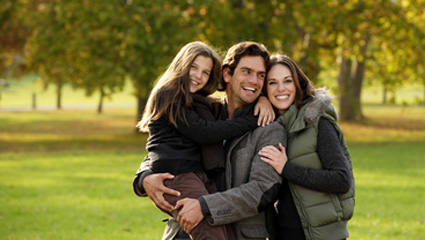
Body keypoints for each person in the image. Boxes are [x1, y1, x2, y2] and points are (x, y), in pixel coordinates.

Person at [135, 41, 286, 240]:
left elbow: (262, 190)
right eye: (247, 72)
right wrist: (143, 178)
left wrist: (205, 206)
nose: (255, 81)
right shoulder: (205, 112)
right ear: (227, 74)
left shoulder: (268, 128)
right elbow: (162, 146)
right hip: (182, 232)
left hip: (236, 233)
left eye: (261, 75)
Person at [258, 54, 355, 240]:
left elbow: (341, 180)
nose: (280, 89)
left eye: (287, 81)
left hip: (320, 235)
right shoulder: (267, 125)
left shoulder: (318, 123)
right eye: (272, 83)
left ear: (297, 84)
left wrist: (286, 168)